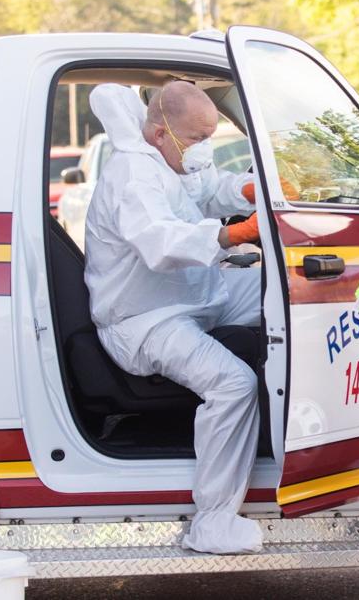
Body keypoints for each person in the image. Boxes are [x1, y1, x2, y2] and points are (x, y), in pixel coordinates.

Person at [84, 81, 263, 554]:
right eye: (198, 139)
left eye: (210, 138)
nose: (204, 148)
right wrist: (234, 235)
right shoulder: (131, 175)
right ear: (160, 133)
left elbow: (204, 188)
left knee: (282, 292)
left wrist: (249, 188)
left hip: (192, 295)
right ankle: (215, 521)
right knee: (234, 384)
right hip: (145, 321)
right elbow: (160, 242)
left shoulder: (168, 157)